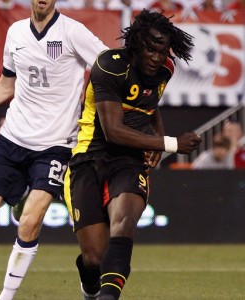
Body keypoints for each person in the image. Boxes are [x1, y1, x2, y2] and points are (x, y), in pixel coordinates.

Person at [0, 0, 108, 298]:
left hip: (55, 147)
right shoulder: (15, 33)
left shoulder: (73, 32)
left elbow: (109, 66)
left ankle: (5, 296)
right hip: (12, 140)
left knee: (28, 223)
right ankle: (22, 195)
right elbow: (5, 85)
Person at [64, 10, 201, 300]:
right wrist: (169, 143)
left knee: (124, 223)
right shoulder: (109, 66)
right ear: (136, 43)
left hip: (130, 160)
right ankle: (91, 288)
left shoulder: (165, 69)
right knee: (95, 260)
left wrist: (153, 141)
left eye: (162, 50)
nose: (155, 56)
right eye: (150, 49)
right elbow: (112, 130)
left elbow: (150, 104)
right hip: (89, 157)